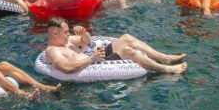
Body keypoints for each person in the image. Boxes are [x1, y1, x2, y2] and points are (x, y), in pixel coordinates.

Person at [45, 17, 186, 76]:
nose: (68, 34)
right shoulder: (53, 51)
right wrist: (92, 59)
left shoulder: (67, 42)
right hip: (93, 65)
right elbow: (66, 68)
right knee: (127, 51)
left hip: (95, 59)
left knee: (126, 38)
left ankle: (165, 57)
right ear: (55, 33)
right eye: (65, 32)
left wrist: (83, 32)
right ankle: (166, 69)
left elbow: (86, 42)